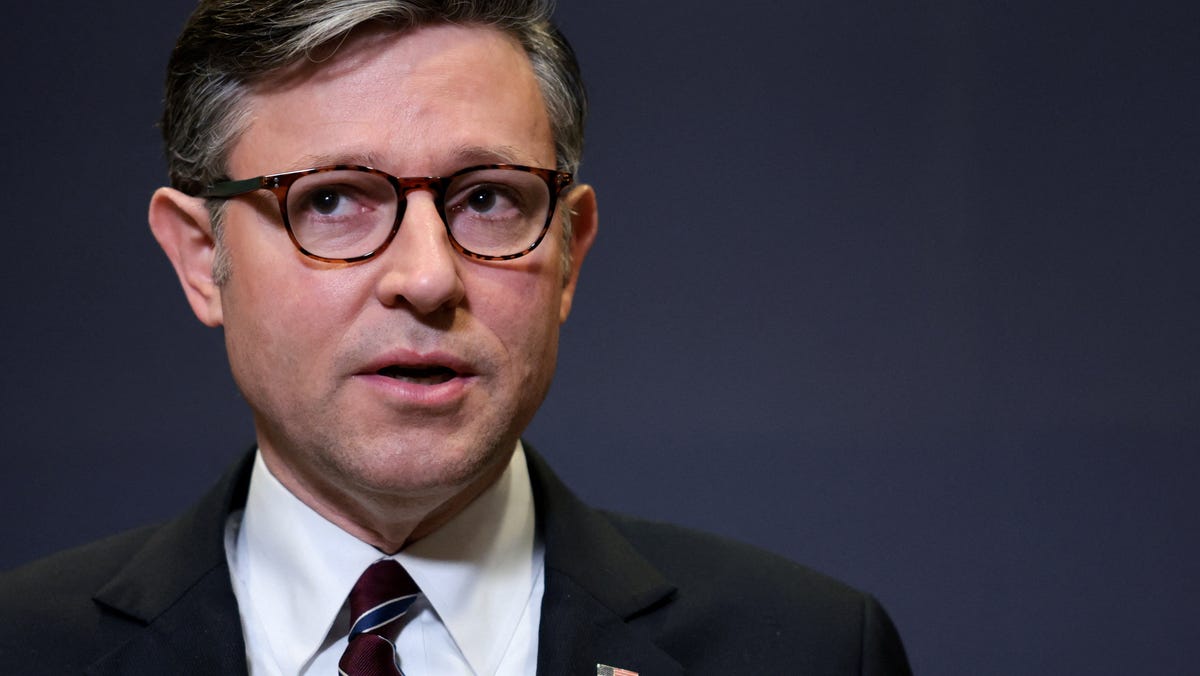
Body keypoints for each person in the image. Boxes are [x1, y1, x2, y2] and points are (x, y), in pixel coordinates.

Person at [0, 1, 912, 673]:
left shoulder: (814, 651)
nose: (429, 278)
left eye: (487, 198)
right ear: (203, 258)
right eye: (333, 201)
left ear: (568, 251)